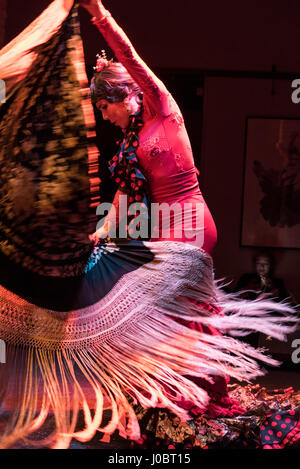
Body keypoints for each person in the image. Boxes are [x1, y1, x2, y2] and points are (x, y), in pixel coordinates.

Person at [0, 0, 297, 450]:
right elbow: (122, 193)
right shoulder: (131, 138)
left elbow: (132, 56)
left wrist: (99, 14)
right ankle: (193, 391)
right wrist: (100, 233)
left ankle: (164, 387)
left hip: (192, 225)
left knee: (143, 306)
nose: (104, 118)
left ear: (125, 96)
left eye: (104, 109)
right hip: (161, 227)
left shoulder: (163, 109)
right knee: (183, 315)